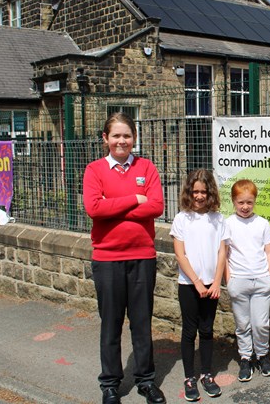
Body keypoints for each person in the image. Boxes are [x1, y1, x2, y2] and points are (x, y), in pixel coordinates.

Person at [82, 113, 166, 404]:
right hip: (107, 259)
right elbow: (93, 209)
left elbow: (156, 206)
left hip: (142, 256)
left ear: (134, 138)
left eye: (127, 135)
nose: (122, 141)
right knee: (111, 323)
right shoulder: (94, 170)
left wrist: (112, 206)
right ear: (105, 139)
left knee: (141, 323)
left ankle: (145, 380)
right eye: (116, 136)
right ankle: (110, 384)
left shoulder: (146, 167)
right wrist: (134, 199)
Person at [170, 169, 227, 401]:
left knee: (207, 330)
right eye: (195, 192)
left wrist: (216, 282)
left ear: (210, 192)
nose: (200, 196)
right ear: (189, 192)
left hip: (211, 285)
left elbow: (222, 252)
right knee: (189, 331)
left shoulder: (218, 219)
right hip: (189, 285)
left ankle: (206, 374)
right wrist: (196, 282)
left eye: (204, 191)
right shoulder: (182, 218)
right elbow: (180, 255)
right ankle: (189, 378)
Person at [224, 179, 270, 382]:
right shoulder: (228, 224)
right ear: (233, 201)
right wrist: (229, 280)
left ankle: (262, 355)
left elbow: (269, 251)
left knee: (261, 323)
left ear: (254, 201)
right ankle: (246, 357)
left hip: (261, 280)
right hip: (239, 281)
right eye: (240, 202)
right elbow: (225, 254)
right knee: (242, 323)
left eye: (249, 202)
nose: (245, 207)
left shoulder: (262, 223)